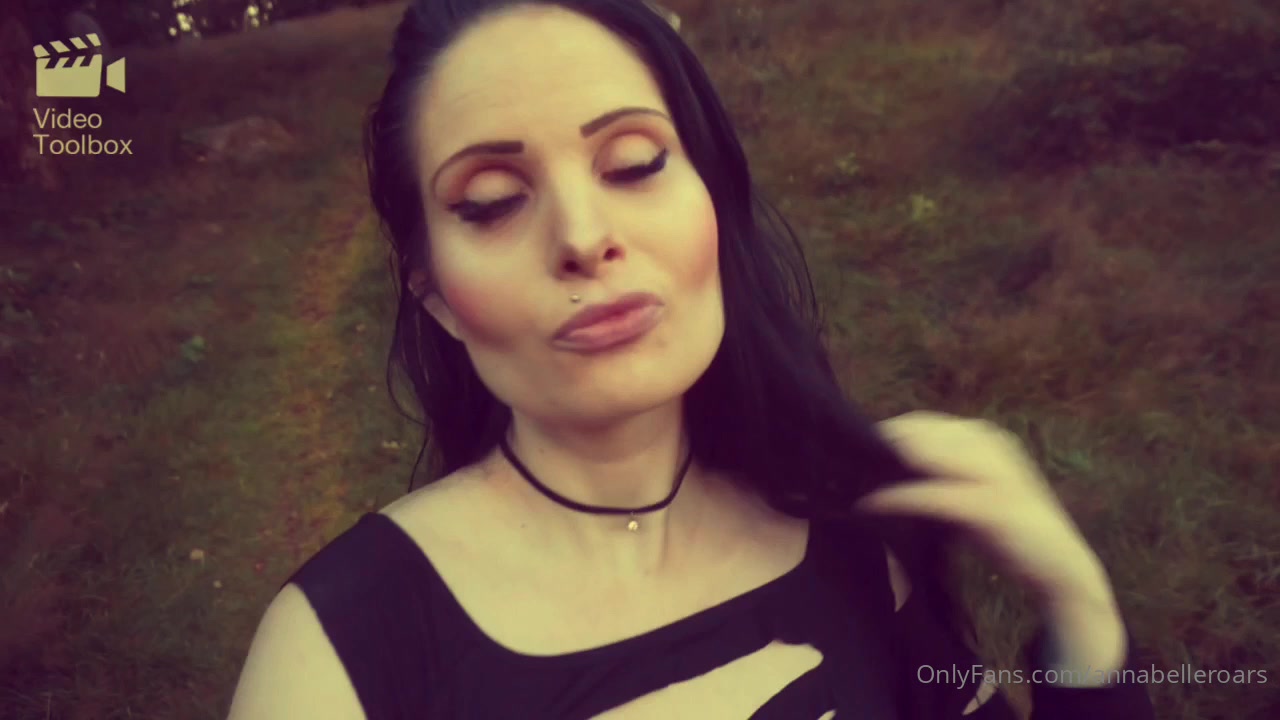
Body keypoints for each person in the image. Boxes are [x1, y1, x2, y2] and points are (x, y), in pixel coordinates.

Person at [226, 1, 1156, 718]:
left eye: (635, 162)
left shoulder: (853, 544)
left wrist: (1080, 613)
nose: (583, 236)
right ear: (433, 293)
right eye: (494, 200)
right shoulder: (339, 655)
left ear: (715, 199)